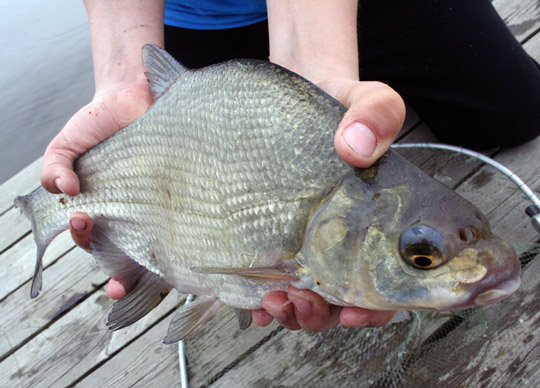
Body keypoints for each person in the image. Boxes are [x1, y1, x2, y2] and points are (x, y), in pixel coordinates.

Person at [40, 0, 540, 332]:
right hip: (192, 20)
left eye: (424, 256)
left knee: (518, 107)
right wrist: (125, 76)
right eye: (422, 257)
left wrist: (316, 63)